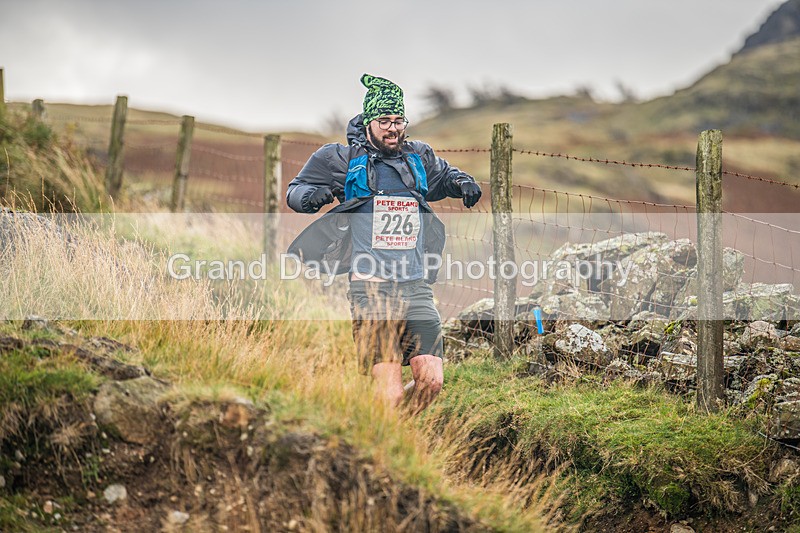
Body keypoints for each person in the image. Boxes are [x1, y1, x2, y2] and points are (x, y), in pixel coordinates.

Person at [286, 74, 482, 413]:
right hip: (371, 292)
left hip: (415, 286)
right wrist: (310, 197)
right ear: (368, 123)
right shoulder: (339, 158)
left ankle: (392, 431)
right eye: (384, 121)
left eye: (399, 120)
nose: (393, 128)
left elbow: (445, 175)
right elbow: (295, 190)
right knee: (389, 394)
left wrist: (462, 182)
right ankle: (389, 447)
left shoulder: (418, 156)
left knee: (431, 381)